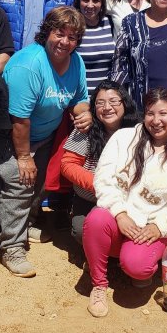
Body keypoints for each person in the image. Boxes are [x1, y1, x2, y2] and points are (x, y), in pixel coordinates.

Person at [83, 88, 167, 318]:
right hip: (120, 222)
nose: (156, 121)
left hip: (150, 228)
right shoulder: (124, 138)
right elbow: (103, 180)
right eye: (150, 114)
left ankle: (143, 264)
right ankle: (99, 284)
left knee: (137, 266)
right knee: (96, 218)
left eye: (163, 113)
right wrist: (120, 214)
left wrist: (159, 227)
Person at [0, 6, 92, 277]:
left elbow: (78, 99)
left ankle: (26, 224)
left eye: (72, 37)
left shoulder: (76, 61)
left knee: (37, 186)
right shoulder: (29, 64)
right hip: (13, 136)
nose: (65, 42)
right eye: (59, 34)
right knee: (19, 182)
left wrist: (84, 114)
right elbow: (19, 120)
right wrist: (24, 157)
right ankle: (12, 247)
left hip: (45, 135)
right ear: (46, 33)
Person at [61, 81, 138, 246]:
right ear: (93, 107)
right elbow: (68, 165)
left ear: (125, 103)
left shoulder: (138, 131)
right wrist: (101, 185)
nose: (107, 107)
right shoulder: (86, 129)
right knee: (83, 231)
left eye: (114, 101)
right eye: (100, 103)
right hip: (91, 199)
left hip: (129, 200)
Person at [73, 0, 118, 95]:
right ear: (78, 1)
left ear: (102, 2)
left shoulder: (110, 23)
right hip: (80, 99)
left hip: (106, 99)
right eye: (85, 0)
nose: (90, 5)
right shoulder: (73, 27)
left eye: (96, 0)